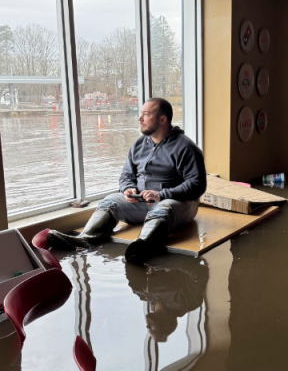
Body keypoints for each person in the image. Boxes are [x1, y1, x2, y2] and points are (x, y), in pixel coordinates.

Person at [41, 98, 205, 265]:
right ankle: (84, 240)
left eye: (146, 115)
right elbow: (126, 174)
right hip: (143, 202)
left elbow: (198, 184)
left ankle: (142, 246)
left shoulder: (185, 147)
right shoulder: (139, 144)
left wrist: (161, 195)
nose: (139, 119)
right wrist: (128, 188)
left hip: (179, 204)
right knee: (110, 201)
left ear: (162, 119)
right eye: (140, 114)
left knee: (164, 207)